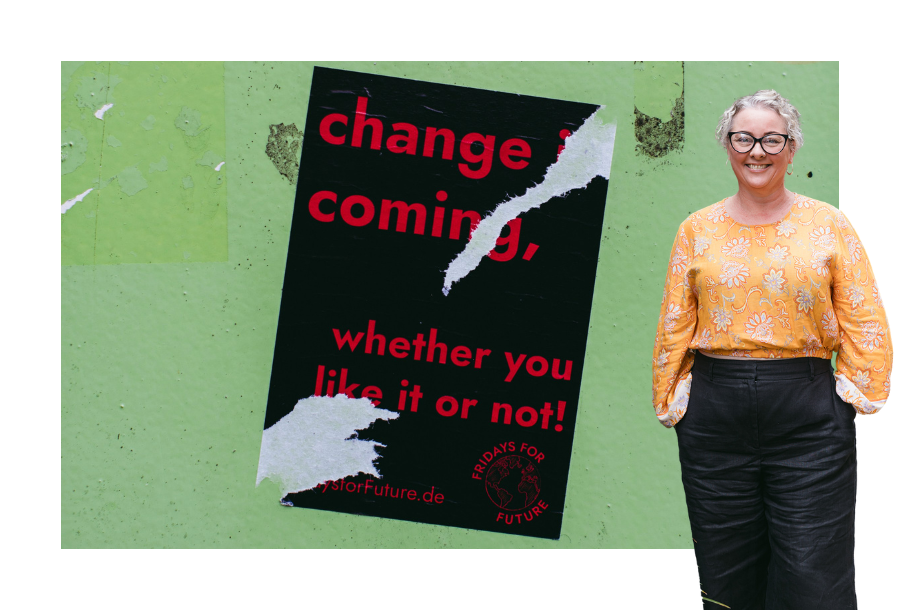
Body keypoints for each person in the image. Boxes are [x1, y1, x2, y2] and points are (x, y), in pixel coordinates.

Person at [651, 89, 892, 610]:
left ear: (791, 148)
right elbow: (676, 319)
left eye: (771, 139)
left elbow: (862, 312)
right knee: (727, 572)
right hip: (715, 413)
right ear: (727, 144)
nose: (756, 151)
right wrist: (673, 396)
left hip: (808, 411)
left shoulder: (829, 224)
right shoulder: (697, 228)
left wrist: (856, 391)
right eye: (743, 137)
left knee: (814, 575)